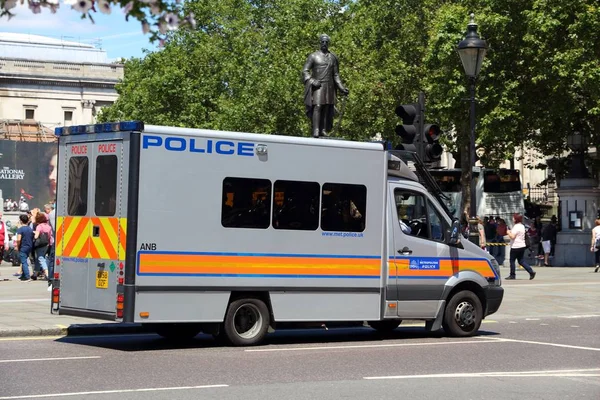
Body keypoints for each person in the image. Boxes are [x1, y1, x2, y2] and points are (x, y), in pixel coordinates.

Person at [302, 34, 349, 138]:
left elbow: (336, 75)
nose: (324, 44)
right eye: (322, 42)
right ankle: (316, 129)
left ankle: (323, 130)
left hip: (329, 86)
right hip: (318, 86)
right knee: (318, 106)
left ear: (328, 43)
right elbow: (305, 71)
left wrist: (342, 88)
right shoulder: (313, 56)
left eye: (326, 42)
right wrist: (311, 80)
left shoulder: (333, 57)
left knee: (327, 107)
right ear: (320, 43)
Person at [506, 213, 536, 280]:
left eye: (513, 218)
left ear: (516, 219)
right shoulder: (522, 226)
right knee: (521, 261)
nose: (513, 219)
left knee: (512, 260)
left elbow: (512, 236)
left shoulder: (516, 227)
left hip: (515, 246)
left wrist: (508, 232)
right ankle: (531, 271)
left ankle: (512, 275)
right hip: (522, 245)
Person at [33, 212, 52, 281]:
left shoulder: (39, 226)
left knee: (41, 258)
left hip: (40, 245)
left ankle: (47, 274)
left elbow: (36, 236)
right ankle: (35, 273)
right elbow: (49, 237)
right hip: (46, 245)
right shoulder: (48, 226)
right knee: (40, 258)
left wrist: (34, 232)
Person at [16, 214, 34, 281]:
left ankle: (27, 276)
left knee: (23, 262)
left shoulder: (20, 229)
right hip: (29, 246)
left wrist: (17, 246)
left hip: (23, 246)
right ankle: (23, 275)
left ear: (21, 221)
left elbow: (18, 239)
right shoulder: (30, 229)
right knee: (25, 259)